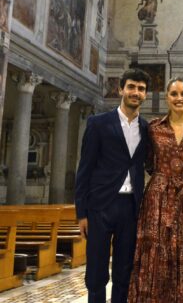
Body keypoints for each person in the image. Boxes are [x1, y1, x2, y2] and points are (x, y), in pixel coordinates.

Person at [128, 78, 183, 303]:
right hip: (157, 199)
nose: (179, 98)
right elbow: (146, 162)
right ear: (167, 98)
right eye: (174, 94)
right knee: (155, 251)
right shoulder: (153, 128)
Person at [75, 68, 151, 303]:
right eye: (131, 87)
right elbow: (84, 169)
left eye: (140, 89)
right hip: (101, 205)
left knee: (124, 269)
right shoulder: (98, 123)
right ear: (121, 89)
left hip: (131, 207)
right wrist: (82, 212)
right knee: (96, 270)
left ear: (145, 94)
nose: (135, 92)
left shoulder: (148, 129)